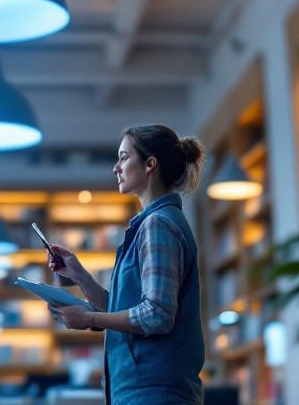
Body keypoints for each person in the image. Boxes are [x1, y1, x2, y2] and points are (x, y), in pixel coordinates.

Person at [46, 125, 207, 404]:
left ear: (150, 165)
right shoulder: (150, 224)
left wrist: (89, 319)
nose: (115, 168)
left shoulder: (158, 224)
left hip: (155, 392)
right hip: (141, 391)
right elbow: (126, 312)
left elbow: (157, 315)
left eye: (123, 157)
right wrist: (80, 275)